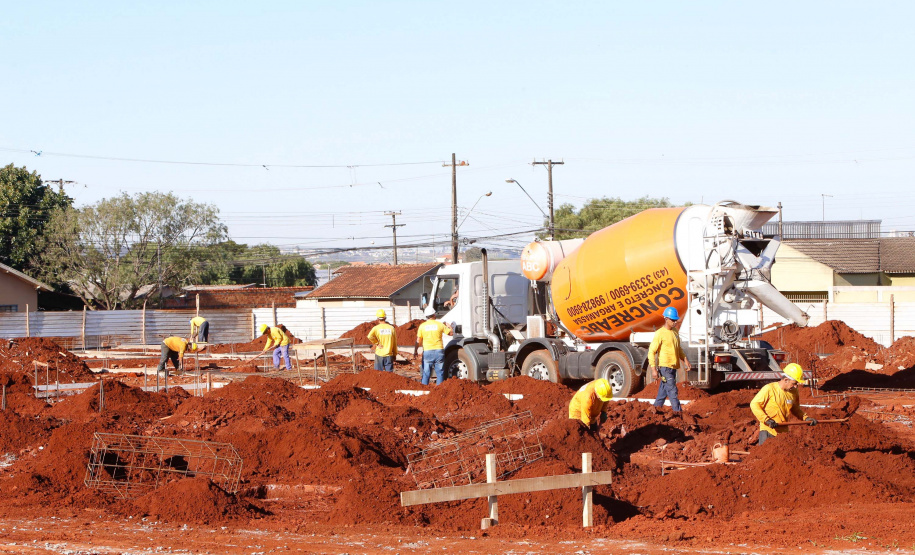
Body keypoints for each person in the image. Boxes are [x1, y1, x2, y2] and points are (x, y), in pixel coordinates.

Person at [750, 363, 818, 445]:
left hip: (784, 433)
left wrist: (806, 418)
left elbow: (796, 409)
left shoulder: (794, 392)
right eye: (794, 383)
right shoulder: (769, 389)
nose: (796, 386)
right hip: (769, 431)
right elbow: (754, 404)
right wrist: (766, 420)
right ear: (786, 380)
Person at [648, 306, 691, 413]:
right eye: (672, 320)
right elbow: (651, 352)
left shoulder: (675, 332)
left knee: (663, 392)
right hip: (665, 368)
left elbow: (678, 348)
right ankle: (678, 413)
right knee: (672, 391)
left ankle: (655, 410)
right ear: (666, 319)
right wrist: (653, 369)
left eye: (676, 320)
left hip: (673, 367)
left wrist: (685, 359)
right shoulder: (660, 333)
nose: (675, 322)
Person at [414, 307, 453, 385]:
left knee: (426, 373)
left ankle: (424, 389)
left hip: (427, 352)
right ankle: (439, 391)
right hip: (439, 351)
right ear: (434, 314)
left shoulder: (422, 326)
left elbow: (418, 340)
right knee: (440, 373)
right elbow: (451, 333)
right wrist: (449, 326)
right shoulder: (439, 324)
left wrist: (415, 351)